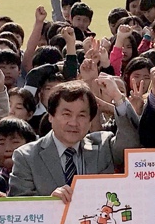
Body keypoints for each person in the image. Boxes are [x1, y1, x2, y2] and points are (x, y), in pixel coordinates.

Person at [8, 80, 141, 199]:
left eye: (81, 116)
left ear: (90, 121)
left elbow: (131, 142)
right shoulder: (26, 157)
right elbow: (19, 205)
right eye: (66, 114)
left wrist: (118, 98)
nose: (73, 123)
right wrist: (50, 202)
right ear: (51, 116)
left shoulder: (103, 145)